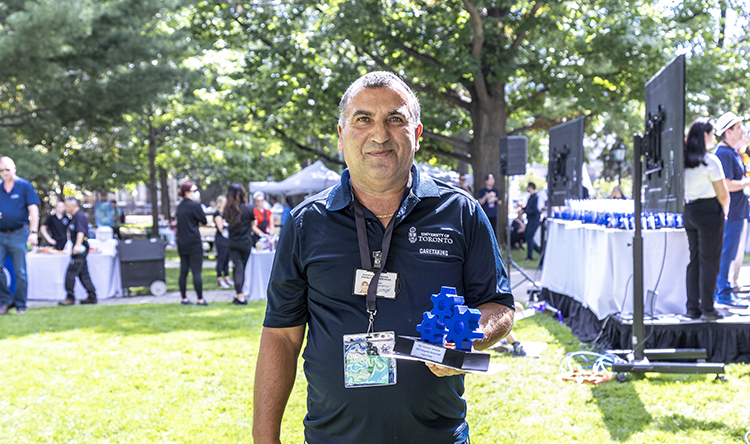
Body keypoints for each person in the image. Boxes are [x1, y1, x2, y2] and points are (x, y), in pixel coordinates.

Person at [253, 71, 514, 444]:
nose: (379, 134)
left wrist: (469, 338)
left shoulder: (460, 213)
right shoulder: (306, 223)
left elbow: (499, 306)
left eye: (395, 118)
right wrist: (265, 439)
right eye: (363, 119)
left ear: (417, 134)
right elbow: (281, 336)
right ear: (342, 137)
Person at [683, 118, 730, 320]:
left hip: (690, 210)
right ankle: (708, 309)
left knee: (694, 260)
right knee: (710, 261)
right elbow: (723, 194)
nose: (713, 138)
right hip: (709, 211)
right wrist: (724, 212)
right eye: (712, 134)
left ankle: (692, 307)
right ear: (705, 135)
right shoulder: (710, 160)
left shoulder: (684, 161)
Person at [712, 112, 750, 308]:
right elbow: (726, 184)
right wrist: (746, 181)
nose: (743, 131)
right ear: (728, 131)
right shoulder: (725, 154)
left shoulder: (732, 152)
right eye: (739, 127)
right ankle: (723, 293)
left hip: (738, 211)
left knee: (731, 252)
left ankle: (724, 291)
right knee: (726, 253)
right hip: (731, 212)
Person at [0, 156, 40, 315]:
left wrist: (34, 232)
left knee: (20, 272)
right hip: (1, 234)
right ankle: (7, 300)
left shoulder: (24, 186)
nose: (4, 172)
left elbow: (34, 210)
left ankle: (21, 305)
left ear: (14, 169)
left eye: (7, 169)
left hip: (19, 233)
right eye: (1, 170)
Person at [58, 198, 97, 306]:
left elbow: (81, 232)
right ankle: (92, 296)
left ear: (73, 206)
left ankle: (70, 297)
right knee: (83, 273)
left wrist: (77, 246)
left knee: (71, 273)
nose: (65, 208)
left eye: (66, 206)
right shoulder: (76, 216)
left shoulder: (79, 216)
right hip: (80, 247)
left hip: (80, 248)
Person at [176, 182, 209, 306]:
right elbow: (204, 220)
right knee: (196, 272)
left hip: (182, 242)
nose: (195, 193)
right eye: (193, 191)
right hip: (194, 242)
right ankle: (200, 299)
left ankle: (184, 298)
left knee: (183, 271)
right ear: (186, 192)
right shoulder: (195, 206)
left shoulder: (180, 207)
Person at [224, 184, 254, 305]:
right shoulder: (248, 208)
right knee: (242, 268)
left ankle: (238, 294)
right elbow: (253, 223)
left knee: (237, 268)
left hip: (233, 242)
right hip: (245, 242)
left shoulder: (228, 210)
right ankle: (240, 296)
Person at [213, 196, 233, 289]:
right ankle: (220, 279)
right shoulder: (217, 215)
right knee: (221, 259)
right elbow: (221, 229)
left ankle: (227, 277)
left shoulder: (226, 214)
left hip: (227, 239)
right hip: (221, 239)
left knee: (226, 259)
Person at [524, 182, 542, 261]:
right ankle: (540, 251)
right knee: (527, 237)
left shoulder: (536, 197)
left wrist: (525, 211)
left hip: (534, 220)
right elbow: (528, 208)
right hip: (530, 219)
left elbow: (535, 210)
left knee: (529, 237)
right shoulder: (530, 197)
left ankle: (530, 256)